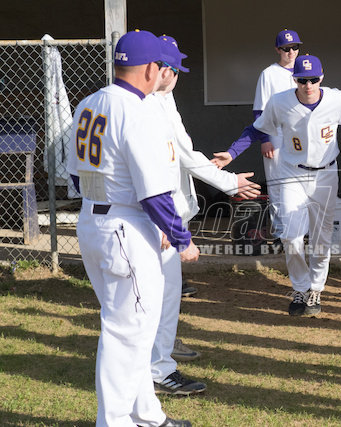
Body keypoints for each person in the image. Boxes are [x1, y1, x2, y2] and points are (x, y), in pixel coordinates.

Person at [66, 29, 196, 427]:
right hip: (126, 227)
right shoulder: (138, 112)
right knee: (127, 332)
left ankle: (147, 414)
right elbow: (154, 193)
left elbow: (74, 177)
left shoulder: (89, 102)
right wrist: (181, 237)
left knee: (133, 327)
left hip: (94, 219)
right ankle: (116, 420)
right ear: (151, 69)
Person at [149, 35, 260, 397]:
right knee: (162, 292)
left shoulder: (158, 99)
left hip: (154, 209)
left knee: (160, 292)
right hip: (154, 211)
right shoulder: (148, 105)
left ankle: (159, 351)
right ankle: (158, 367)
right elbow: (185, 155)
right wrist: (228, 182)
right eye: (174, 69)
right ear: (161, 69)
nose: (177, 76)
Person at [220, 54, 341, 316]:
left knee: (321, 238)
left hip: (326, 174)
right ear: (294, 80)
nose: (308, 85)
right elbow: (256, 129)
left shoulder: (336, 98)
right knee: (290, 235)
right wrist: (231, 154)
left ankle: (315, 289)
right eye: (302, 80)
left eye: (313, 79)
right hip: (291, 173)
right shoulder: (280, 101)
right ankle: (300, 287)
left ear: (322, 78)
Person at [213, 30, 303, 252]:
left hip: (301, 137)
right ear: (277, 50)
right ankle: (281, 236)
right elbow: (259, 111)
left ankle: (300, 233)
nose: (291, 52)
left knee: (302, 185)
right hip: (276, 135)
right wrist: (265, 139)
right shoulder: (269, 74)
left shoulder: (305, 72)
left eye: (295, 47)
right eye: (286, 48)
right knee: (278, 187)